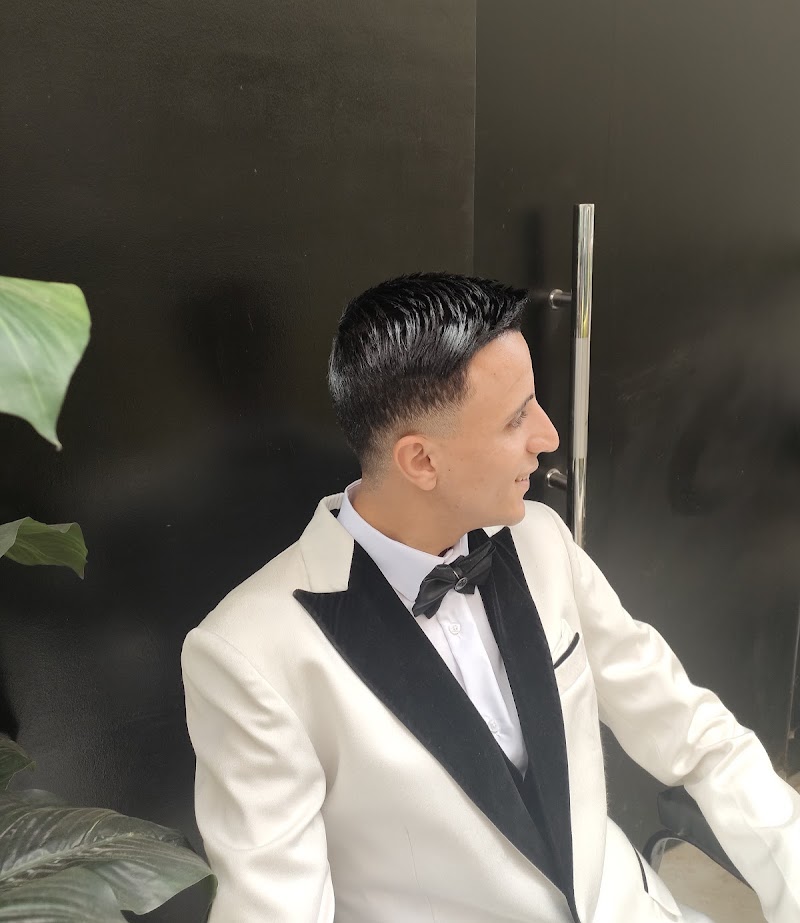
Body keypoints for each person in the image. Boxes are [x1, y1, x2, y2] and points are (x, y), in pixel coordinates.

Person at [182, 271, 800, 923]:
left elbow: (696, 734)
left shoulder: (542, 539)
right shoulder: (249, 654)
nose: (549, 435)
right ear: (421, 461)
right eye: (516, 418)